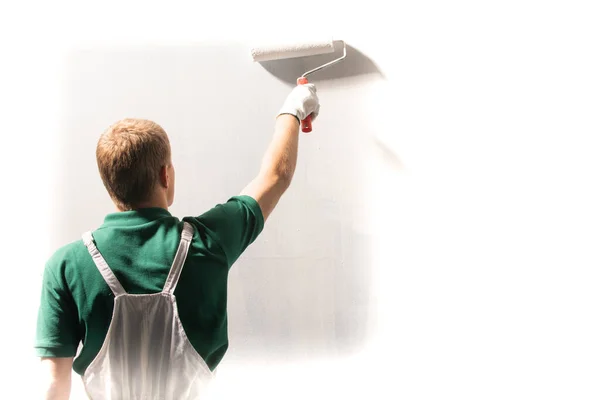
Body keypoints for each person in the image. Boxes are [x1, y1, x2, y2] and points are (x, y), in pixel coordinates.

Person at [34, 84, 320, 400]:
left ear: (109, 184)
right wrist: (292, 109)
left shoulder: (65, 266)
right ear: (166, 175)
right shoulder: (209, 242)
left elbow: (54, 385)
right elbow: (276, 176)